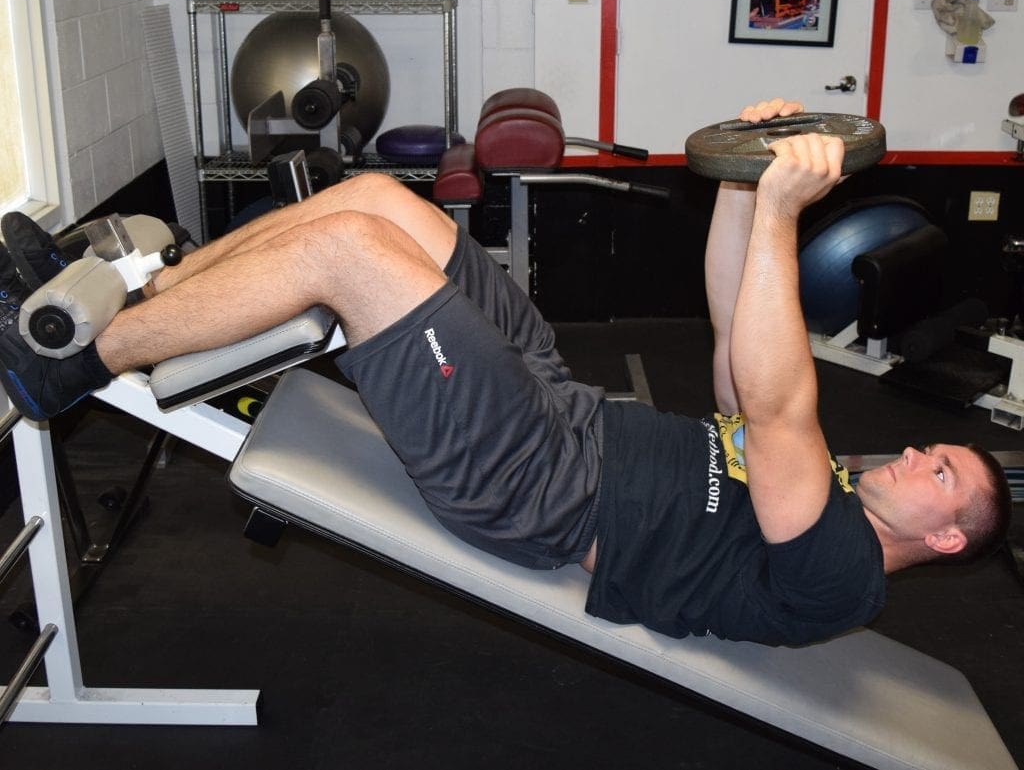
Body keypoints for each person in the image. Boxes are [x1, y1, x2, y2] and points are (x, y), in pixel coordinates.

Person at [0, 99, 1011, 646]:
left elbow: (782, 402)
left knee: (349, 253)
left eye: (941, 471)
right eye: (935, 449)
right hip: (561, 405)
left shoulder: (840, 572)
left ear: (945, 535)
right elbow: (736, 354)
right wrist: (748, 186)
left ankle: (77, 358)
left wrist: (784, 215)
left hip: (536, 484)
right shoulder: (829, 492)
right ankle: (145, 288)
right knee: (382, 205)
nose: (917, 450)